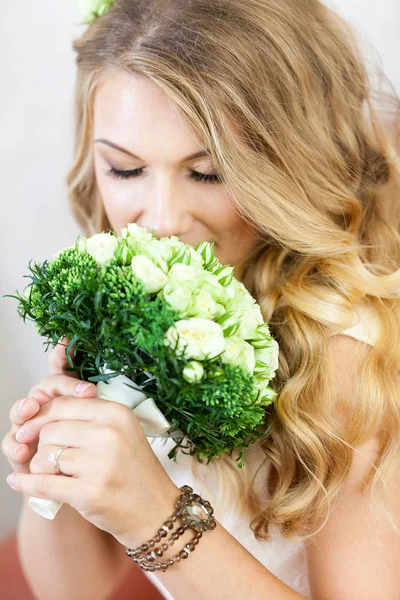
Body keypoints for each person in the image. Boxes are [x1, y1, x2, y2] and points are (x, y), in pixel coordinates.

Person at [2, 0, 400, 598]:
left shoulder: (347, 355)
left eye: (208, 174)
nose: (161, 220)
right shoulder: (138, 309)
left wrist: (155, 517)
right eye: (126, 169)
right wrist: (56, 462)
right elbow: (71, 587)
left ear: (292, 166)